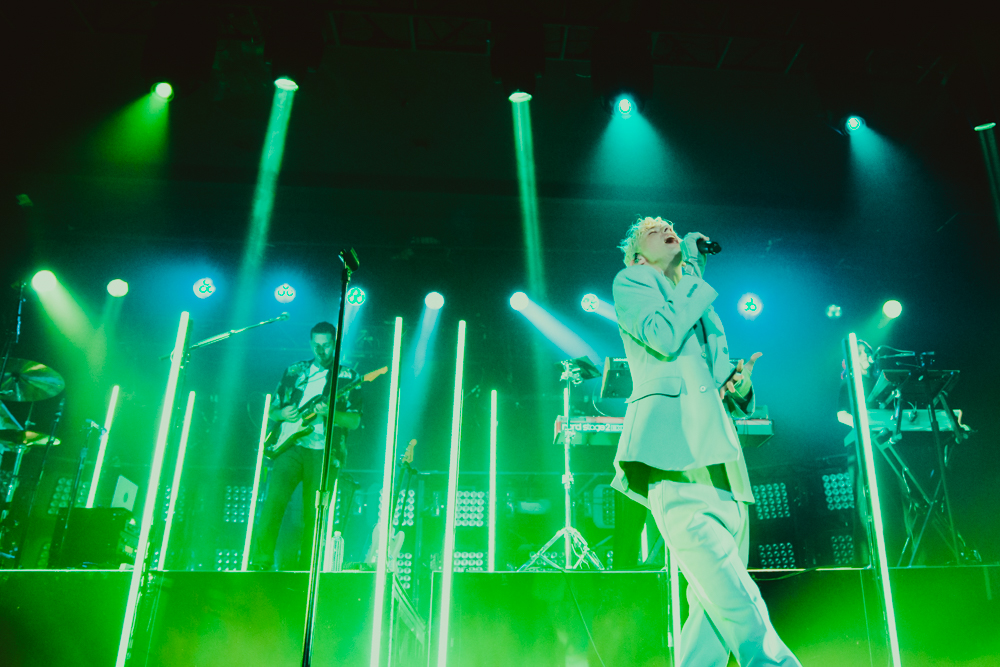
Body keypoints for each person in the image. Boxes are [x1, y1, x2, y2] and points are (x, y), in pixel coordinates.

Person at [611, 216, 801, 666]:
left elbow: (707, 379)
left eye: (668, 223)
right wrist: (691, 272)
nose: (666, 226)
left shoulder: (696, 302)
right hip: (674, 465)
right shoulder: (631, 281)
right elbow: (661, 335)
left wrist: (737, 385)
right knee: (740, 603)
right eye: (653, 228)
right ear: (639, 255)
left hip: (724, 469)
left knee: (711, 620)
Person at [252, 321, 363, 571]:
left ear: (334, 345)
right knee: (273, 504)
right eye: (316, 345)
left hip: (324, 453)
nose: (320, 351)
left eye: (326, 345)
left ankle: (307, 569)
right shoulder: (294, 370)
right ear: (310, 344)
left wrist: (330, 413)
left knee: (314, 516)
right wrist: (283, 413)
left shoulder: (348, 377)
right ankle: (260, 563)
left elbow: (355, 421)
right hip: (290, 447)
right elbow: (271, 409)